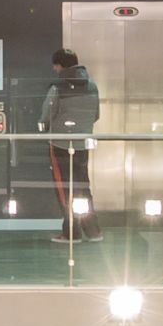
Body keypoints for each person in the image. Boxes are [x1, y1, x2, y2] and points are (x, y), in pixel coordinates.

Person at [34, 46, 101, 235]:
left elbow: (46, 116)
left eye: (55, 65)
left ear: (61, 65)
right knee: (82, 185)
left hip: (60, 144)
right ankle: (92, 230)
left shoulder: (57, 88)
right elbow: (96, 115)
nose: (54, 69)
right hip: (83, 143)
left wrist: (44, 127)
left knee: (64, 188)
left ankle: (71, 232)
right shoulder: (92, 86)